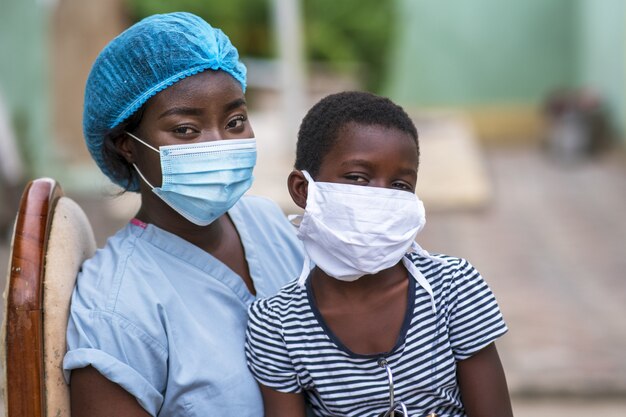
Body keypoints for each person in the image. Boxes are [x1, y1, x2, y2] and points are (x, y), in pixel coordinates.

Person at [63, 12, 304, 417]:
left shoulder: (268, 224)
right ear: (127, 144)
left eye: (235, 122)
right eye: (186, 130)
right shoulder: (115, 307)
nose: (219, 144)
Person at [245, 91, 513, 417]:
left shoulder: (454, 287)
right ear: (303, 190)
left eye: (400, 185)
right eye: (358, 177)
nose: (381, 198)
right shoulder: (277, 325)